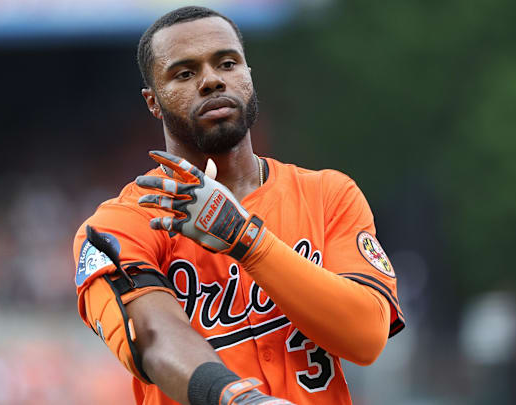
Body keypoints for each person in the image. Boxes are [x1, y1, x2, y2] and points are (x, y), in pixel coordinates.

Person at [72, 6, 405, 405]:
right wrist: (237, 400)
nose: (212, 81)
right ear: (153, 102)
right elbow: (150, 338)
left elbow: (366, 337)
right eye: (184, 73)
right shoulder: (120, 224)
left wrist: (247, 241)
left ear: (248, 75)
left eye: (227, 63)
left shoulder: (328, 195)